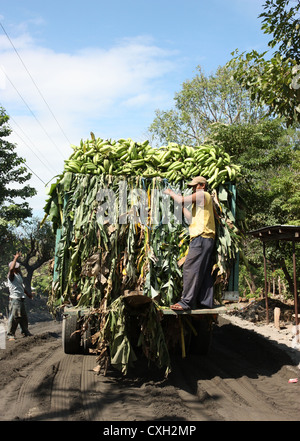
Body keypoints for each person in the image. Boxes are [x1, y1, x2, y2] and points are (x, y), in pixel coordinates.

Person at [164, 176, 215, 311]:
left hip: (201, 237)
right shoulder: (201, 203)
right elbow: (190, 218)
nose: (193, 189)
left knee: (190, 268)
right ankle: (205, 302)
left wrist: (171, 193)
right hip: (206, 238)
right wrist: (180, 206)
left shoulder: (202, 195)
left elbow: (180, 199)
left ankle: (186, 302)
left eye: (195, 186)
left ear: (202, 185)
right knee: (203, 271)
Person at [6, 252, 33, 340]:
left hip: (21, 298)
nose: (19, 267)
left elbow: (21, 286)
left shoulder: (18, 276)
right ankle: (10, 334)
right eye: (17, 266)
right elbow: (11, 269)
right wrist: (15, 258)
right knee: (15, 317)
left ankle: (25, 332)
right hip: (15, 299)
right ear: (15, 268)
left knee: (23, 317)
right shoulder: (11, 276)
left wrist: (28, 294)